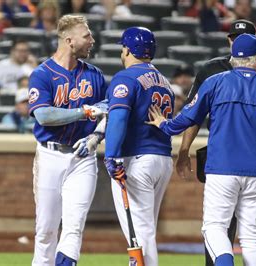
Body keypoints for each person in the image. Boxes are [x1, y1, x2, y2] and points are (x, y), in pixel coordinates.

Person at [147, 33, 256, 266]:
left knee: (214, 227)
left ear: (233, 59)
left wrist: (164, 125)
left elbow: (187, 117)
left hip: (222, 168)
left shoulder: (215, 82)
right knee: (252, 235)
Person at [28, 14, 107, 266]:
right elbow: (44, 115)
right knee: (46, 231)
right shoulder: (42, 74)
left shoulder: (95, 75)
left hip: (83, 156)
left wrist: (96, 135)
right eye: (87, 36)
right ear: (69, 41)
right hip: (50, 155)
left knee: (74, 227)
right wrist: (84, 111)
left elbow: (110, 108)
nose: (92, 40)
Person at [103, 27, 174, 266]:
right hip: (162, 159)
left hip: (138, 160)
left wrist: (111, 156)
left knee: (140, 232)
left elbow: (119, 118)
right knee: (146, 227)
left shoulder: (126, 77)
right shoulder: (164, 81)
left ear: (127, 49)